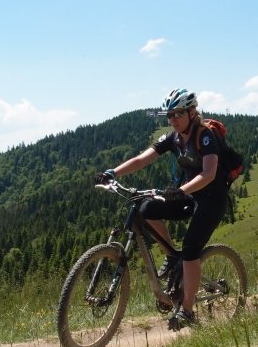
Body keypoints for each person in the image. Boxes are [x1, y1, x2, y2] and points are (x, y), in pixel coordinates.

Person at [94, 88, 230, 331]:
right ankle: (170, 255)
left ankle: (188, 311)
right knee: (148, 208)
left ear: (191, 112)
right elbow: (141, 159)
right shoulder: (173, 137)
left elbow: (209, 174)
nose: (173, 120)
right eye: (169, 115)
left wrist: (182, 190)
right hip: (188, 194)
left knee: (190, 250)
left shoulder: (206, 135)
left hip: (212, 198)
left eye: (178, 114)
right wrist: (113, 172)